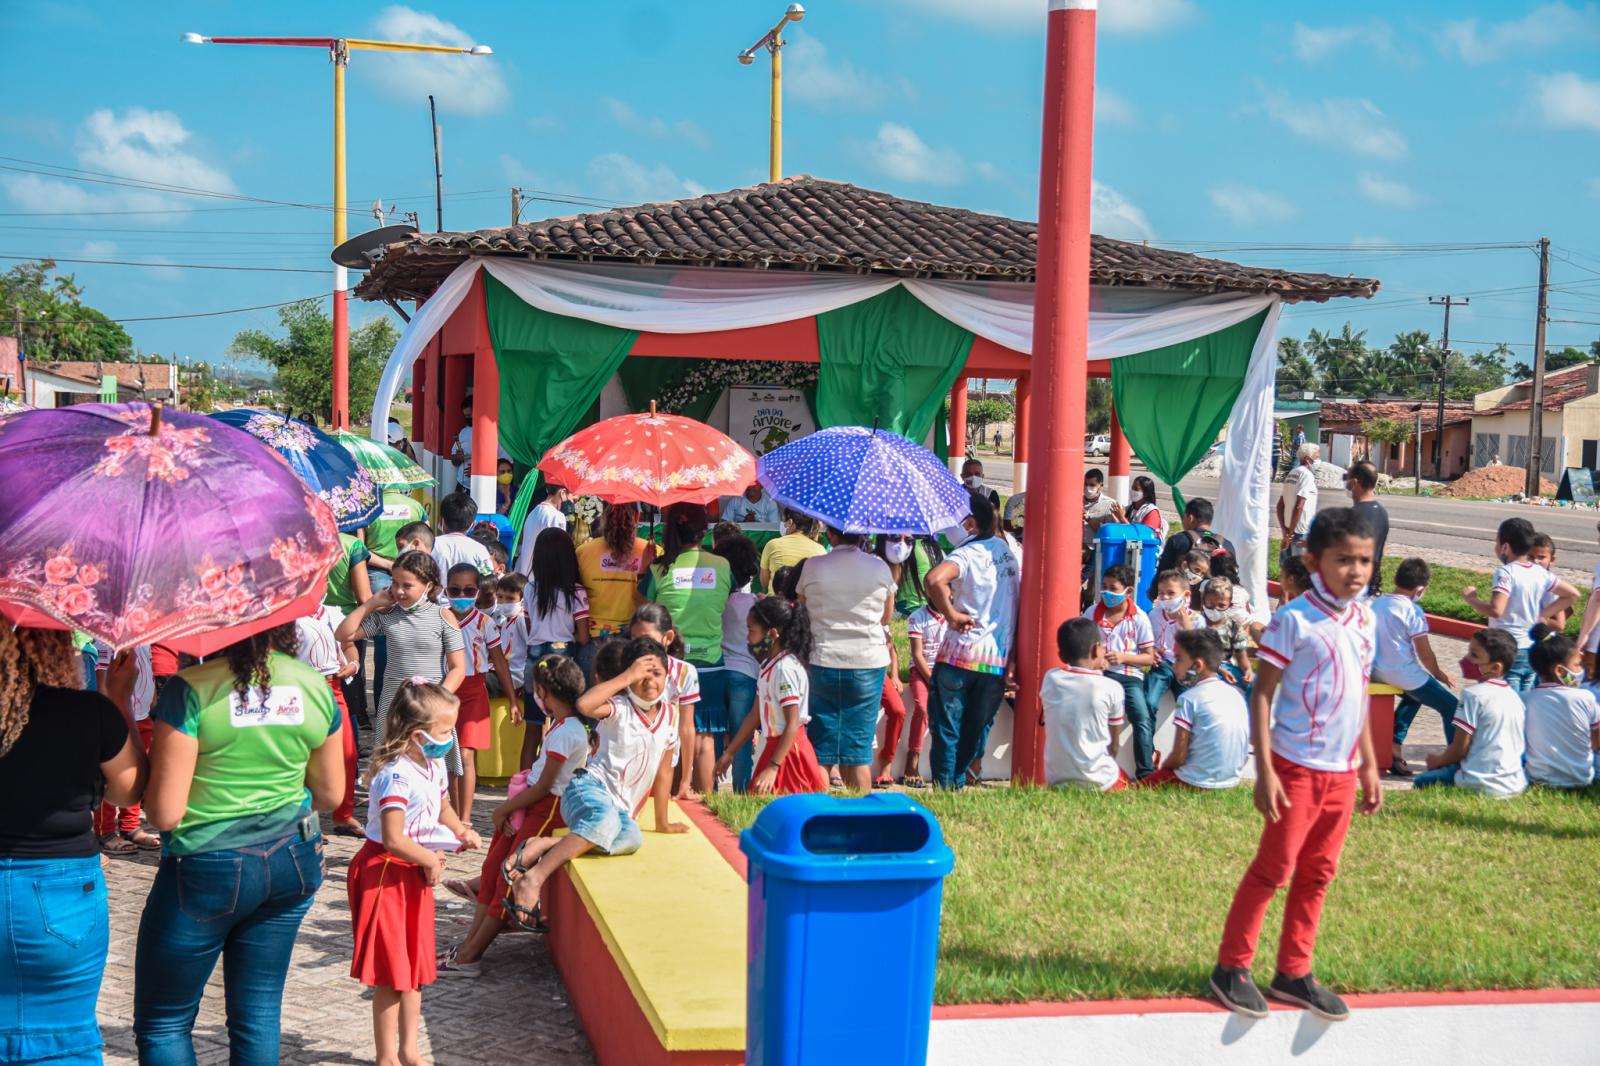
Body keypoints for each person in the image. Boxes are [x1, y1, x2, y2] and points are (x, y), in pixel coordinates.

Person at [135, 626, 345, 1062]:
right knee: (258, 1014)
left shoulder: (190, 689)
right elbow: (329, 795)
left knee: (165, 1022)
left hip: (206, 866)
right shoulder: (313, 685)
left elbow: (164, 815)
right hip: (291, 859)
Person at [1211, 507, 1383, 1024]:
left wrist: (1369, 765)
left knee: (1320, 872)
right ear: (1314, 562)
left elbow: (1359, 693)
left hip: (1343, 771)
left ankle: (1294, 971)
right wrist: (1264, 770)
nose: (1356, 571)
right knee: (1275, 869)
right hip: (1296, 767)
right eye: (1343, 560)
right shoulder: (1295, 619)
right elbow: (1262, 695)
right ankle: (1231, 967)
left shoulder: (1366, 618)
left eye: (1365, 561)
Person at [1, 628, 145, 1065]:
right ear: (60, 651)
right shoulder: (89, 712)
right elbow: (129, 791)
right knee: (65, 1034)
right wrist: (119, 696)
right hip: (62, 894)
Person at [500, 638, 690, 929]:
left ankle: (545, 844)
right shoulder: (621, 707)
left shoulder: (669, 716)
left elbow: (664, 773)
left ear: (668, 677)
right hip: (588, 789)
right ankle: (533, 878)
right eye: (642, 674)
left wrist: (663, 822)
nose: (649, 681)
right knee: (604, 822)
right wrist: (627, 677)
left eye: (657, 674)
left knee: (631, 839)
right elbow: (585, 704)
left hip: (620, 810)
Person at [347, 681, 481, 1064]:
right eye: (443, 732)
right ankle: (386, 1057)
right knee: (392, 974)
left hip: (415, 873)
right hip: (386, 875)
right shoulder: (396, 775)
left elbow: (443, 808)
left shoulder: (432, 763)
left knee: (415, 968)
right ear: (416, 733)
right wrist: (428, 859)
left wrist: (460, 830)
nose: (448, 738)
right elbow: (392, 837)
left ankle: (410, 1051)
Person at [439, 655, 588, 977]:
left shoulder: (568, 732)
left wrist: (505, 808)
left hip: (545, 810)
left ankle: (470, 956)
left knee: (508, 879)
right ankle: (468, 943)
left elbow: (546, 785)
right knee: (493, 870)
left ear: (545, 692)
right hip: (529, 804)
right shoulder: (561, 726)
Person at [924, 490, 1021, 790]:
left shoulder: (966, 554)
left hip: (959, 655)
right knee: (973, 731)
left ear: (969, 524)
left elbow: (933, 579)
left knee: (947, 729)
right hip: (994, 663)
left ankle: (945, 789)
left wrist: (951, 615)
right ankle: (957, 783)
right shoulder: (1008, 553)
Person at [797, 525, 897, 792]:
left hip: (823, 660)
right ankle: (861, 818)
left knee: (821, 749)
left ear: (831, 534)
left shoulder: (813, 566)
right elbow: (886, 618)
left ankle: (819, 815)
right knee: (859, 752)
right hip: (868, 664)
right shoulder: (879, 568)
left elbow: (802, 611)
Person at [645, 503, 732, 792]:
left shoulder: (659, 568)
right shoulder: (722, 565)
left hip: (670, 665)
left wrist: (648, 565)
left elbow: (644, 611)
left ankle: (670, 802)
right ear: (704, 530)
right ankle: (706, 805)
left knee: (668, 734)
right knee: (705, 736)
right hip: (711, 662)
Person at [338, 551, 467, 739]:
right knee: (390, 760)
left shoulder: (443, 617)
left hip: (431, 705)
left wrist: (437, 699)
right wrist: (371, 604)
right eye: (395, 583)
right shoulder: (386, 615)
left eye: (407, 586)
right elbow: (343, 635)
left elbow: (458, 668)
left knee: (430, 762)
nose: (398, 590)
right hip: (394, 703)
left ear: (428, 586)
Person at [716, 597, 829, 794]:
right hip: (776, 748)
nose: (748, 638)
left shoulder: (784, 669)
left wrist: (773, 767)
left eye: (751, 631)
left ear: (773, 633)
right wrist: (730, 753)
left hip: (790, 753)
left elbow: (792, 723)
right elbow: (754, 715)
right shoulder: (769, 665)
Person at [1462, 517, 1577, 692]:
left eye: (1497, 541)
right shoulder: (1539, 572)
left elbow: (1496, 610)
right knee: (1525, 699)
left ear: (1505, 547)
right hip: (1531, 647)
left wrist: (1472, 599)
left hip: (1508, 650)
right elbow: (1572, 594)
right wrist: (1542, 615)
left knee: (1510, 701)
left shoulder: (1506, 572)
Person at [444, 564, 517, 823]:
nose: (461, 595)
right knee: (449, 757)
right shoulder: (440, 618)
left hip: (474, 691)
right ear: (445, 589)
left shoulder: (485, 623)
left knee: (465, 755)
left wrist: (512, 699)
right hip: (445, 693)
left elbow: (499, 661)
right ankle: (451, 814)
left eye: (469, 590)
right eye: (455, 590)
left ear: (477, 592)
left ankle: (464, 818)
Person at [1415, 629, 1527, 797]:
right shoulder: (1516, 698)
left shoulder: (1473, 695)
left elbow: (1460, 749)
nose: (1467, 659)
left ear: (1495, 667)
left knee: (1422, 780)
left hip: (1479, 783)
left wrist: (1437, 761)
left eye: (1474, 655)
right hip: (1516, 784)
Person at [1372, 558, 1457, 776]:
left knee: (1413, 697)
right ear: (1420, 589)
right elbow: (1425, 654)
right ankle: (1454, 763)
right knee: (1452, 708)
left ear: (1395, 579)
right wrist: (1438, 673)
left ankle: (1394, 744)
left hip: (1376, 671)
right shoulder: (1412, 611)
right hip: (1403, 674)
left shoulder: (1376, 603)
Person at [1138, 629, 1250, 790]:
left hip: (1195, 782)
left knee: (1137, 789)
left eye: (1178, 659)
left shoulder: (1189, 698)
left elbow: (1179, 757)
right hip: (1231, 781)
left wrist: (1164, 768)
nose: (1174, 665)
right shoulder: (1235, 696)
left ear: (1197, 665)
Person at [295, 603, 364, 835]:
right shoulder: (286, 613)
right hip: (299, 686)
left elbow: (348, 645)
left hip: (334, 686)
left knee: (348, 752)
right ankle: (307, 820)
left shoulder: (332, 613)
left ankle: (343, 816)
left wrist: (353, 665)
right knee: (304, 756)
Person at [1085, 564, 1158, 776]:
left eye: (1113, 588)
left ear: (1128, 591)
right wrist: (1096, 661)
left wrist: (1124, 657)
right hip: (1099, 675)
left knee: (1142, 718)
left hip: (1129, 677)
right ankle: (1094, 768)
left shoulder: (1139, 617)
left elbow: (1149, 657)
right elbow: (1083, 648)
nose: (1107, 593)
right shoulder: (1092, 613)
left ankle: (1145, 772)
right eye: (1104, 586)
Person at [1041, 617, 1127, 790]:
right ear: (1097, 649)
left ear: (1061, 655)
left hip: (1057, 780)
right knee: (1131, 785)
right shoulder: (1112, 688)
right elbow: (1114, 746)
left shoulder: (1051, 678)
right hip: (1101, 781)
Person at [629, 604, 703, 798]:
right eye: (634, 639)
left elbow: (686, 728)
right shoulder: (624, 669)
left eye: (647, 639)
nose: (640, 647)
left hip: (665, 764)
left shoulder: (686, 673)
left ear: (668, 638)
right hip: (627, 765)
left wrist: (686, 780)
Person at [93, 644, 158, 852]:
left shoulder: (145, 639)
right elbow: (102, 673)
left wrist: (153, 698)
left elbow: (148, 668)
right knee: (113, 773)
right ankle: (105, 830)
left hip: (141, 713)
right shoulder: (108, 639)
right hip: (118, 713)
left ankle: (131, 824)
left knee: (138, 771)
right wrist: (106, 712)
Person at [712, 530, 762, 792]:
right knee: (742, 740)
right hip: (746, 675)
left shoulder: (716, 601)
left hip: (718, 669)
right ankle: (743, 791)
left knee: (714, 736)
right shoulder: (755, 604)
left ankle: (709, 787)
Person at [1521, 625, 1600, 789]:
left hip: (1538, 779)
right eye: (1578, 665)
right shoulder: (1586, 697)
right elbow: (1597, 741)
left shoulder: (1525, 700)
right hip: (1582, 779)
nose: (1582, 670)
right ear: (1560, 671)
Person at [575, 502, 650, 675]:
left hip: (592, 643)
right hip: (633, 643)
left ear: (603, 518)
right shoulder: (650, 550)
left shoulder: (583, 552)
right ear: (637, 518)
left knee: (592, 700)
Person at [900, 599, 946, 787]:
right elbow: (917, 655)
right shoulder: (917, 616)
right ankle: (912, 761)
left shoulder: (956, 613)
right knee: (922, 708)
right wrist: (933, 681)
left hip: (948, 670)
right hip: (922, 670)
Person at [1146, 569, 1195, 713]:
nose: (1165, 597)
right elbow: (1147, 641)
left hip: (1186, 668)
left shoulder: (1197, 620)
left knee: (1186, 706)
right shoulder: (1154, 615)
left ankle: (1185, 733)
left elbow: (1197, 651)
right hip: (1162, 666)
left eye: (1171, 593)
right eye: (1161, 593)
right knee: (1150, 701)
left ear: (1185, 595)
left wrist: (1186, 626)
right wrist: (1152, 651)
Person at [1155, 498, 1235, 575]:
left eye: (1184, 517)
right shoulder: (1227, 545)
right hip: (1217, 588)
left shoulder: (1177, 540)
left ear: (1190, 518)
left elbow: (1162, 575)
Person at [1343, 461, 1388, 596]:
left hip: (1353, 587)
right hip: (1372, 584)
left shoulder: (1352, 515)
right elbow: (1382, 549)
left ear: (1354, 482)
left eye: (1347, 478)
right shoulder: (1382, 512)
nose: (1346, 483)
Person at [1201, 577, 1253, 690]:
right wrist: (1219, 670)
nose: (1214, 609)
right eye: (1210, 603)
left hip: (1226, 666)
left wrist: (1247, 670)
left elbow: (1242, 657)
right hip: (1200, 667)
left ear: (1230, 605)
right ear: (1203, 600)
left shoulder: (1234, 627)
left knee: (1254, 686)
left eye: (1221, 605)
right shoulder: (1195, 622)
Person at [759, 508, 826, 591]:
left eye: (784, 521)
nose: (783, 524)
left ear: (790, 522)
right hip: (806, 602)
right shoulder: (821, 549)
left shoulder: (773, 544)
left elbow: (764, 583)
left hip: (776, 601)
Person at [1277, 442, 1320, 566]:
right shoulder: (1307, 476)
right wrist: (1289, 534)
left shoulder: (1292, 473)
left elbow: (1280, 505)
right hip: (1301, 532)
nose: (1318, 460)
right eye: (1316, 456)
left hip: (1289, 529)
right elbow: (1299, 506)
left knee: (1287, 570)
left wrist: (1285, 531)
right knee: (1301, 571)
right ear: (1307, 459)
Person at [432, 491, 494, 578]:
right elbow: (487, 579)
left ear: (441, 520)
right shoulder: (480, 550)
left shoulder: (431, 546)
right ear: (472, 525)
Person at [514, 483, 572, 574]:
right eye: (569, 497)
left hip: (526, 572)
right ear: (562, 493)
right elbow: (559, 550)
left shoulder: (533, 512)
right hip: (544, 576)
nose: (569, 501)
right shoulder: (556, 516)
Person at [1529, 532, 1572, 629]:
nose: (1535, 561)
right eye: (1530, 557)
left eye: (1541, 557)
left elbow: (1559, 625)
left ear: (1551, 560)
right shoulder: (1517, 576)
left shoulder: (1550, 585)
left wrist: (1529, 617)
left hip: (1538, 637)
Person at [1082, 468, 1117, 537]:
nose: (1087, 488)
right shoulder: (1076, 501)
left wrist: (1088, 519)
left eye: (1092, 485)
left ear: (1101, 486)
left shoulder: (1109, 505)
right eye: (1085, 484)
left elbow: (1107, 533)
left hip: (1095, 546)